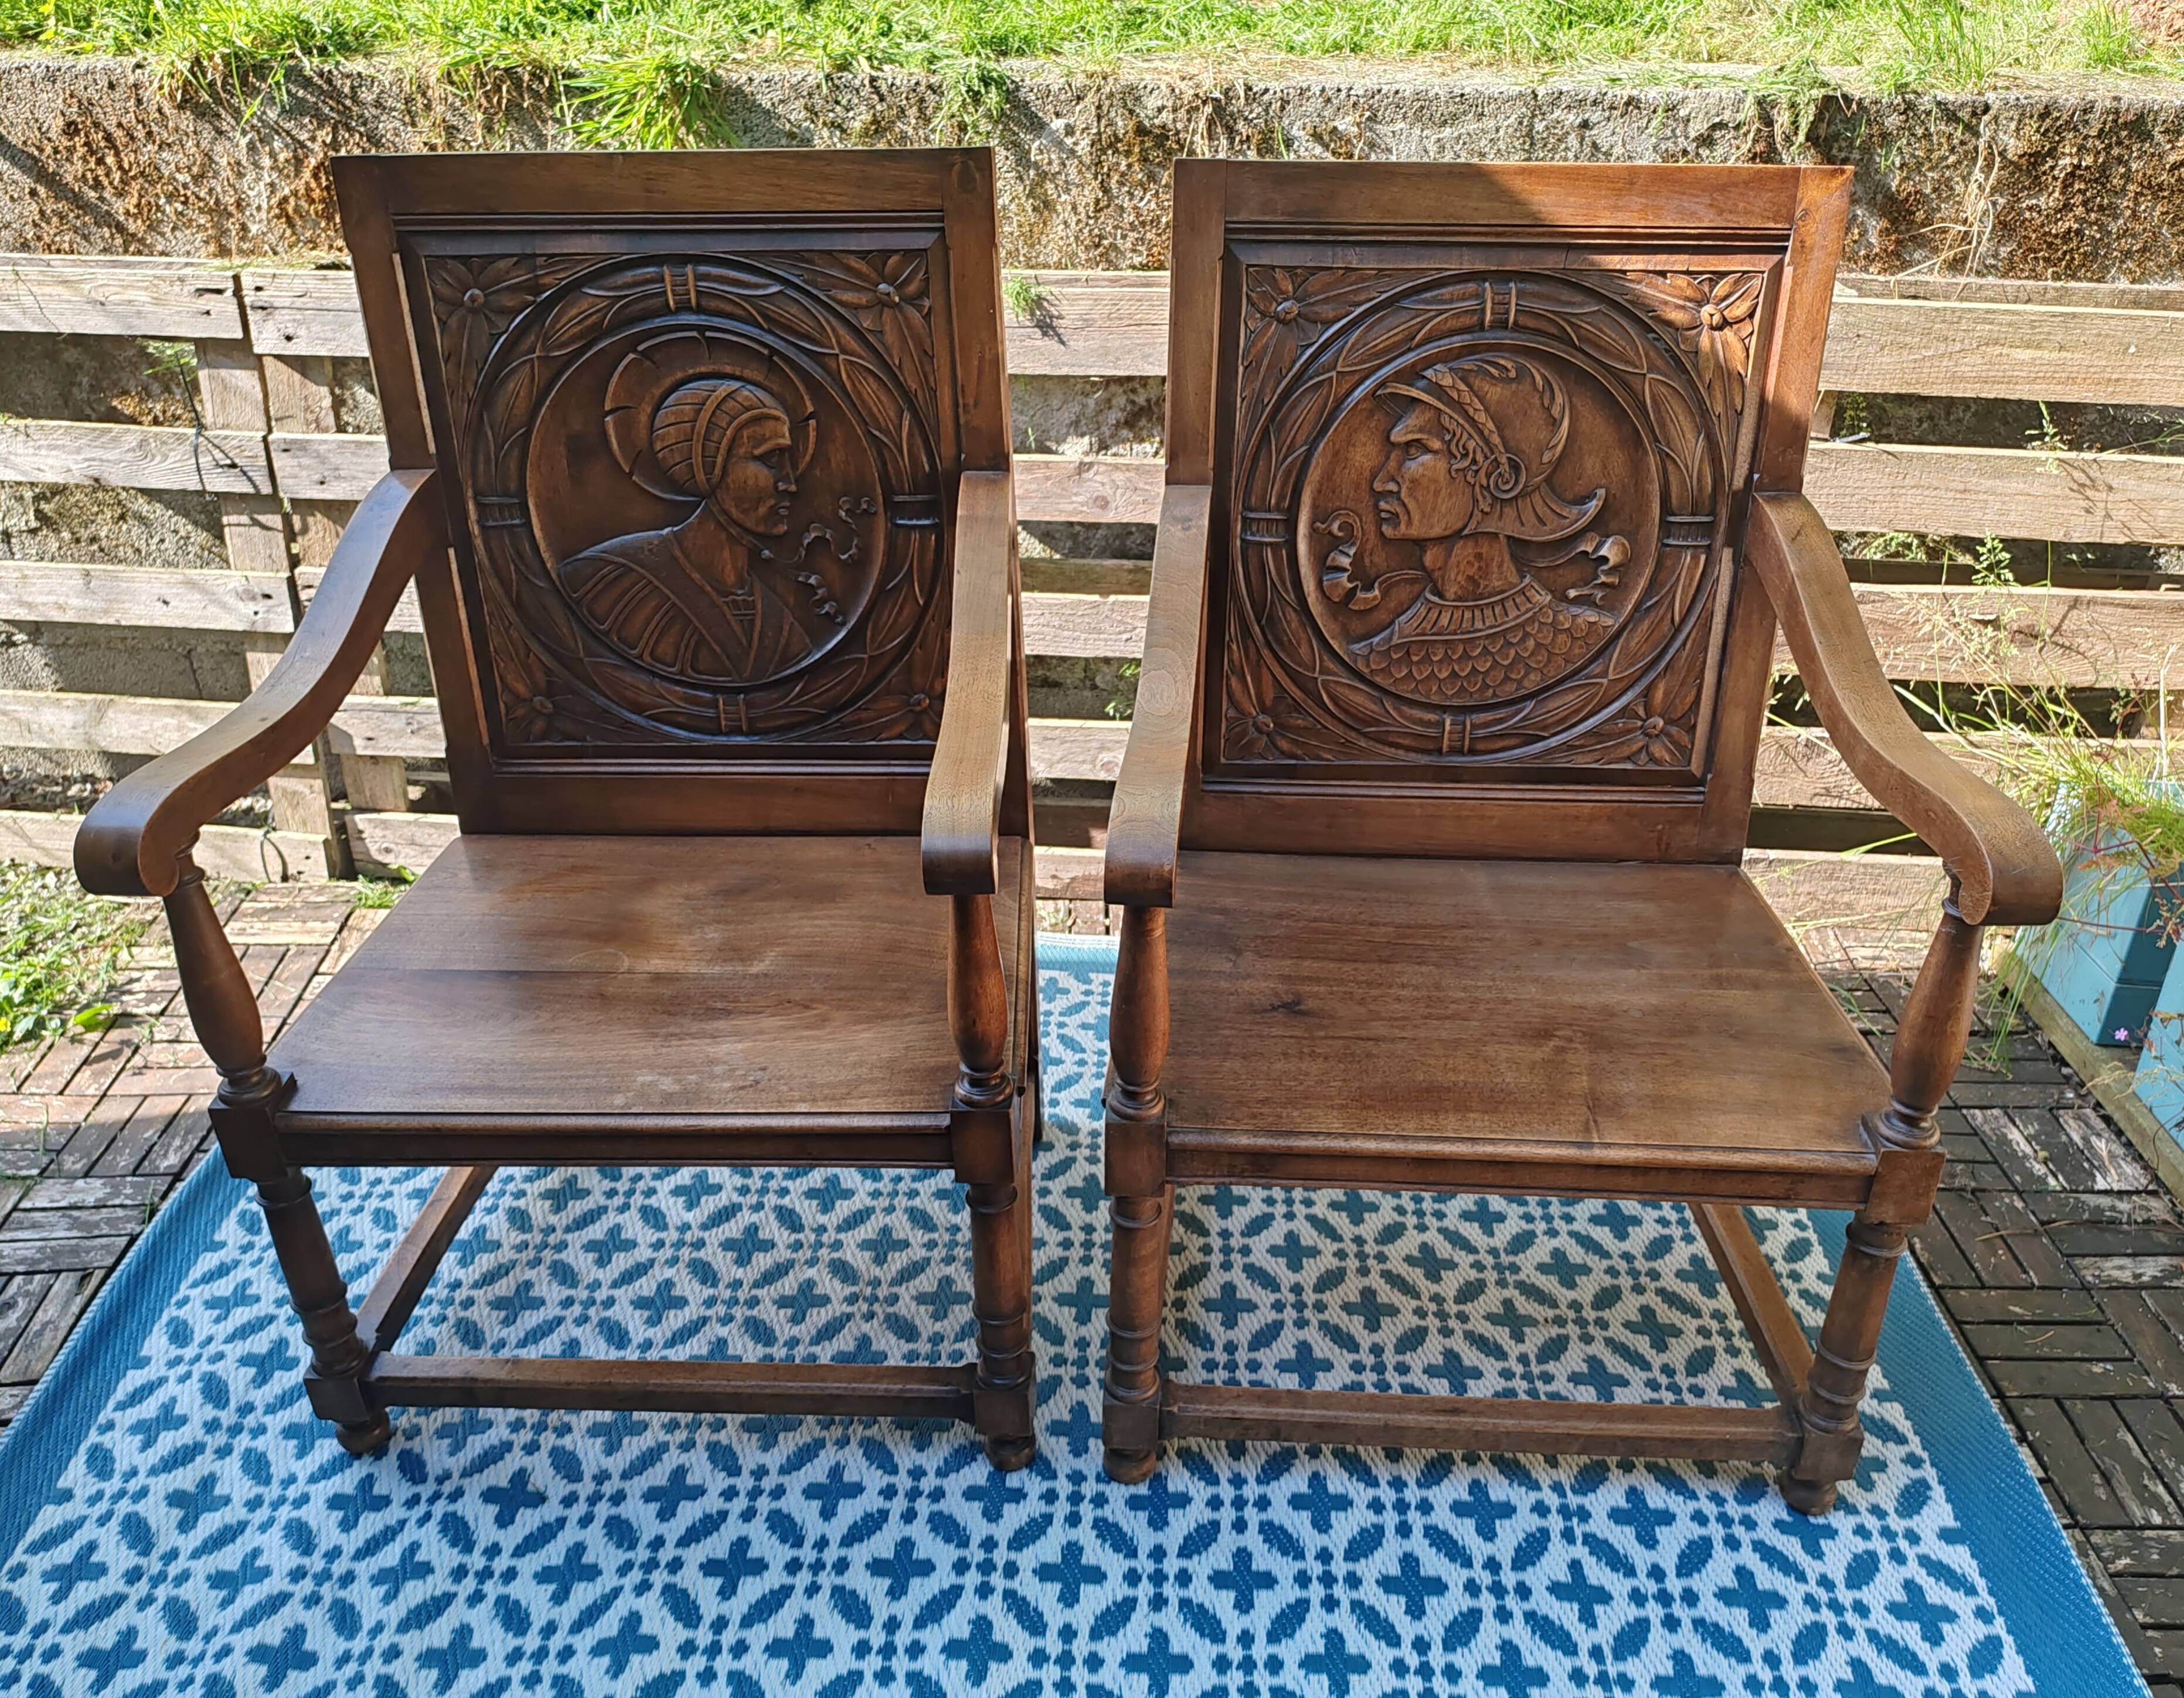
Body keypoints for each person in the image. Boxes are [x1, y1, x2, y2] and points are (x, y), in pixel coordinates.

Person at [1343, 353, 1621, 706]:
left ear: (1495, 477)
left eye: (1415, 451)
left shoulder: (1586, 639)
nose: (1383, 481)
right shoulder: (1378, 660)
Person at [556, 373, 826, 687]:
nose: (790, 484)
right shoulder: (605, 580)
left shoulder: (781, 627)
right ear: (708, 466)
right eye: (770, 459)